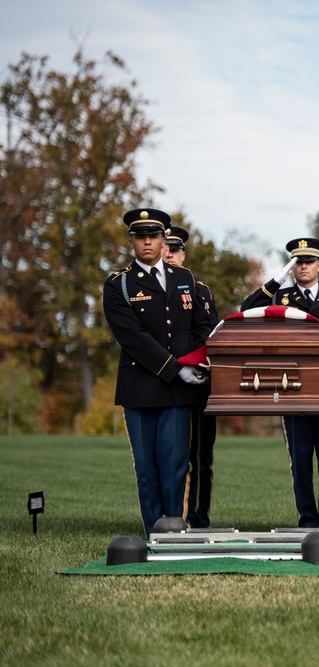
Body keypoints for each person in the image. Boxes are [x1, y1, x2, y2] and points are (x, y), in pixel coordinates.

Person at [103, 208, 213, 537]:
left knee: (176, 463)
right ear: (132, 241)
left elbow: (201, 328)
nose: (147, 242)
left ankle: (174, 527)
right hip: (140, 387)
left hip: (178, 393)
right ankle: (154, 531)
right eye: (140, 237)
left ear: (164, 240)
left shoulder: (186, 280)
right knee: (147, 468)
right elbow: (132, 338)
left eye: (153, 237)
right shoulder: (119, 285)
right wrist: (176, 369)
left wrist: (197, 363)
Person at [242, 237, 319, 527]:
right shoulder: (279, 299)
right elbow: (247, 306)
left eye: (309, 261)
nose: (303, 266)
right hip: (291, 388)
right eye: (297, 262)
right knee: (299, 460)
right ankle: (307, 519)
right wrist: (275, 281)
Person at [161, 225, 220, 528]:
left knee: (201, 457)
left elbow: (210, 333)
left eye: (175, 249)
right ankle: (170, 516)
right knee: (172, 454)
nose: (169, 254)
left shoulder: (201, 289)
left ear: (183, 253)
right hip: (167, 380)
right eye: (165, 247)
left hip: (199, 384)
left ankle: (198, 517)